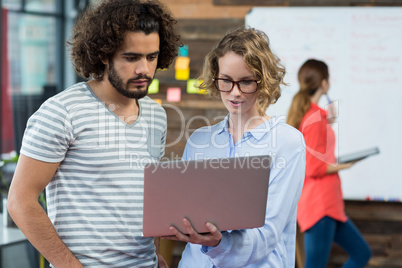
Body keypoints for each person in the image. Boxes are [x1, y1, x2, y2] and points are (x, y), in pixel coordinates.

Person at [7, 0, 180, 267]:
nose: (144, 69)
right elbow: (20, 202)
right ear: (103, 54)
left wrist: (155, 255)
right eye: (131, 57)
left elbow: (146, 195)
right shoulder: (61, 111)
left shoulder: (157, 115)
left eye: (151, 57)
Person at [162, 27, 306, 267]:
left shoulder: (287, 143)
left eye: (246, 82)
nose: (235, 93)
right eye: (226, 81)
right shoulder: (199, 141)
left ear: (264, 79)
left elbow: (268, 235)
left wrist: (220, 243)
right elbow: (185, 214)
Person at [287, 59, 372, 267]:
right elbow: (314, 167)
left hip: (328, 205)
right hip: (320, 206)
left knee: (361, 253)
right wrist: (346, 165)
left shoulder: (313, 115)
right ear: (324, 83)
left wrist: (328, 123)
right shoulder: (315, 117)